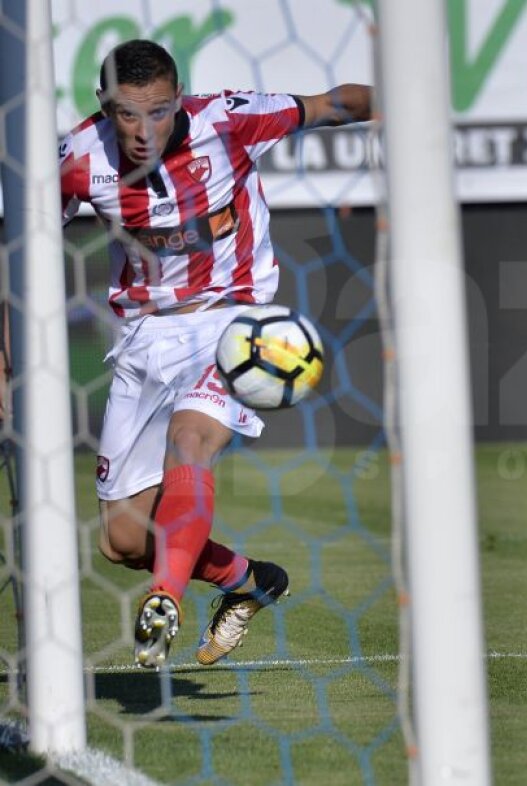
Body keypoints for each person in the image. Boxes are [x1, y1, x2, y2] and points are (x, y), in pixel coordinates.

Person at [58, 39, 373, 669]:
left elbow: (333, 105)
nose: (143, 131)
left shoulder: (229, 119)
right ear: (102, 106)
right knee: (121, 539)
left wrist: (412, 102)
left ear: (178, 100)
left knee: (191, 440)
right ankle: (249, 579)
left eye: (158, 111)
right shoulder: (76, 156)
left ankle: (163, 601)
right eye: (126, 114)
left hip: (238, 323)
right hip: (145, 335)